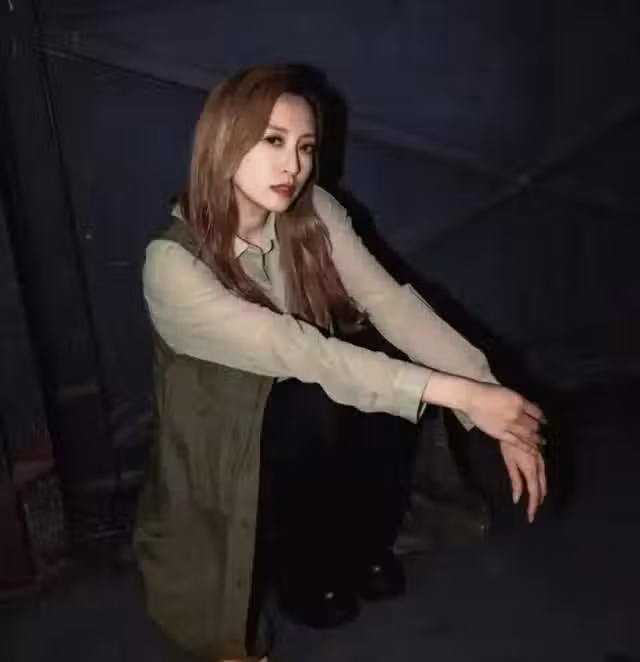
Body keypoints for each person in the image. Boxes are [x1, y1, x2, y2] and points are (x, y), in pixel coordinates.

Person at [134, 64, 547, 662]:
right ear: (224, 141)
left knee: (382, 377)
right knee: (314, 401)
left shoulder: (311, 211)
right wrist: (463, 397)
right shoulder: (173, 264)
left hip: (313, 389)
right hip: (228, 434)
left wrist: (492, 400)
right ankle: (303, 571)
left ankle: (361, 544)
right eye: (273, 140)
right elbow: (301, 351)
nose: (293, 165)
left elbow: (388, 303)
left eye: (305, 147)